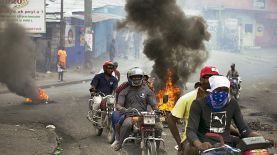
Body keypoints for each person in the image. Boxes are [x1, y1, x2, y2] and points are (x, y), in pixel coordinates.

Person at [184, 75, 260, 155]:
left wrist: (259, 138)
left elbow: (244, 129)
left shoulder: (232, 103)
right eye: (218, 90)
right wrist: (199, 145)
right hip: (205, 144)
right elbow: (191, 130)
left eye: (225, 90)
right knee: (190, 148)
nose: (222, 93)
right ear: (212, 90)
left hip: (226, 144)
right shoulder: (198, 104)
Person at [167, 66, 219, 155]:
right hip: (191, 138)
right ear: (201, 79)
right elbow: (171, 119)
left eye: (215, 78)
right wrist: (180, 143)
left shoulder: (221, 98)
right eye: (209, 77)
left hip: (215, 136)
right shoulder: (187, 98)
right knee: (192, 149)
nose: (212, 80)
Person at [113, 67, 162, 151]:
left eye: (138, 77)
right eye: (134, 77)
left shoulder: (147, 90)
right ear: (129, 78)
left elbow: (154, 104)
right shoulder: (124, 91)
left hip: (145, 115)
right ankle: (120, 143)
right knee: (127, 124)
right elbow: (119, 104)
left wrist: (157, 110)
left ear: (142, 77)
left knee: (158, 127)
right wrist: (123, 109)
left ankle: (156, 148)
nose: (136, 79)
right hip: (130, 115)